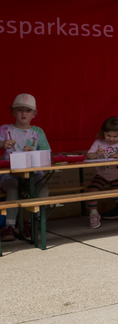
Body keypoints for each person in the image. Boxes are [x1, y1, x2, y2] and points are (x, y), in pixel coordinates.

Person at [0, 93, 50, 242]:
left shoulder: (38, 132)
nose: (23, 113)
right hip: (10, 174)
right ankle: (9, 226)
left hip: (33, 174)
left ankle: (33, 223)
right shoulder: (4, 129)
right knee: (13, 189)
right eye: (19, 109)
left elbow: (48, 153)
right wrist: (3, 144)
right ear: (13, 112)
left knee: (43, 188)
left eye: (27, 110)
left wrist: (35, 152)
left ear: (33, 114)